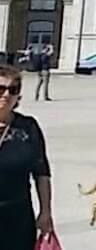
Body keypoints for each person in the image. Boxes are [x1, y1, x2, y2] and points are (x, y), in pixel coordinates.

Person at [0, 65, 55, 250]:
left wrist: (46, 211)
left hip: (18, 216)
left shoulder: (28, 127)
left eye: (12, 90)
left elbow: (42, 172)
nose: (6, 95)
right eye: (1, 89)